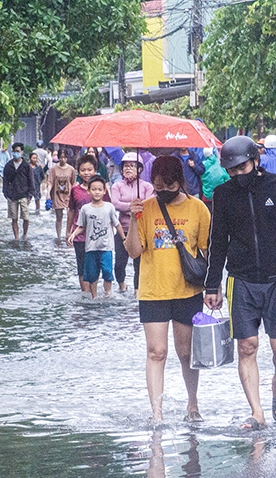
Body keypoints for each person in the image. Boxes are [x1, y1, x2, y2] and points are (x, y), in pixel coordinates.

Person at [204, 136, 276, 430]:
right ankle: (256, 411)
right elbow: (217, 243)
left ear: (255, 160)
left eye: (242, 168)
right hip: (241, 281)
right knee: (247, 347)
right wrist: (212, 285)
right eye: (232, 171)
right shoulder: (223, 195)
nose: (238, 175)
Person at [124, 155, 211, 425]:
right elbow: (134, 252)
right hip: (153, 291)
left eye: (169, 187)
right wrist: (134, 219)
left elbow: (207, 252)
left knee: (186, 353)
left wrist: (213, 289)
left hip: (187, 291)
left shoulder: (198, 209)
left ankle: (192, 403)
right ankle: (157, 413)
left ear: (180, 182)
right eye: (157, 187)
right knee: (156, 352)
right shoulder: (145, 208)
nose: (162, 192)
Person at [67, 175, 125, 298]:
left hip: (106, 247)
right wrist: (73, 234)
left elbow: (117, 224)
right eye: (94, 189)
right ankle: (94, 297)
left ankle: (108, 294)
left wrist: (124, 238)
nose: (97, 192)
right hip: (91, 248)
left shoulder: (109, 207)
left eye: (99, 189)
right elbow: (81, 226)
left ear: (104, 191)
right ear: (88, 191)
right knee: (92, 275)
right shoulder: (85, 209)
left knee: (108, 272)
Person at [111, 152, 154, 294]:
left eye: (132, 166)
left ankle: (137, 290)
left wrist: (133, 208)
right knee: (119, 263)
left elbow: (147, 204)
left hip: (141, 229)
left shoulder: (147, 186)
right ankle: (121, 285)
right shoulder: (117, 186)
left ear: (139, 169)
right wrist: (132, 207)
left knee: (139, 263)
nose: (128, 169)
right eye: (126, 166)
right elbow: (115, 203)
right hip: (122, 229)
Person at [68, 154, 111, 292]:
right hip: (80, 235)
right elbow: (71, 210)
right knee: (82, 266)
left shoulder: (102, 189)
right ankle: (86, 294)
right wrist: (68, 231)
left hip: (98, 235)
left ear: (95, 170)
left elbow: (109, 210)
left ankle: (96, 293)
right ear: (78, 171)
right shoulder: (75, 190)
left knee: (98, 265)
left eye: (89, 169)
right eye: (83, 170)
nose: (86, 173)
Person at [2, 142, 36, 240]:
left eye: (17, 151)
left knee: (26, 217)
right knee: (14, 218)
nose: (15, 153)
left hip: (24, 195)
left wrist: (30, 195)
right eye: (14, 151)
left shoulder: (26, 166)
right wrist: (6, 193)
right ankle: (16, 238)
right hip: (12, 195)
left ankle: (24, 234)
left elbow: (31, 180)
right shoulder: (8, 165)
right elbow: (5, 180)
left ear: (22, 152)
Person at [48, 148, 76, 240]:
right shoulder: (53, 169)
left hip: (68, 195)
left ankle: (68, 234)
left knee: (70, 216)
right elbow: (50, 182)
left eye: (64, 157)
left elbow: (73, 183)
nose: (62, 159)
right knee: (59, 217)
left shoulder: (71, 169)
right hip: (57, 195)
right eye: (61, 157)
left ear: (67, 158)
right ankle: (59, 236)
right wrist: (48, 194)